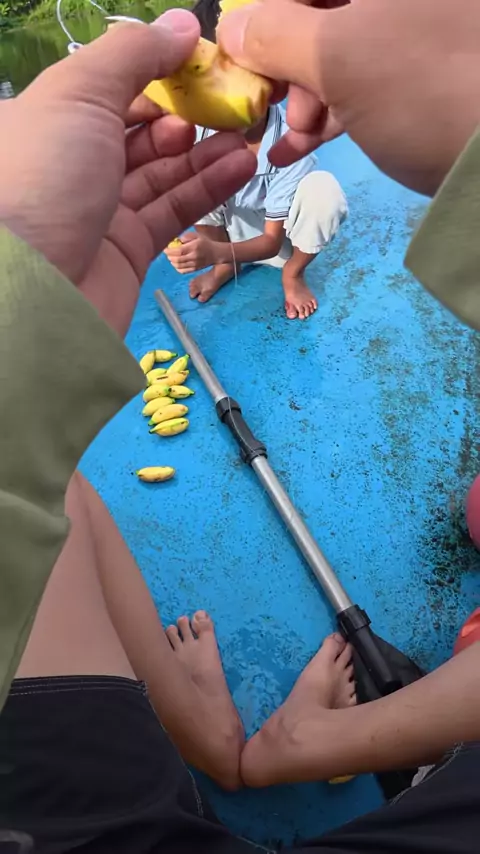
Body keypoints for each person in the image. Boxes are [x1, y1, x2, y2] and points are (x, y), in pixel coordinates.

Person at [1, 3, 480, 853]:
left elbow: (263, 233)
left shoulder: (292, 157)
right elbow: (203, 217)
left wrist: (23, 291)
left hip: (270, 239)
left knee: (55, 491)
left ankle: (228, 731)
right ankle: (244, 735)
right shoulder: (199, 141)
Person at [163, 0, 348, 321]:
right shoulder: (198, 132)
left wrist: (214, 251)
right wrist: (214, 253)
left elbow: (271, 243)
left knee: (324, 191)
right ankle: (226, 267)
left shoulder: (289, 141)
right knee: (188, 175)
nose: (227, 101)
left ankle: (293, 274)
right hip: (229, 236)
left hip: (282, 242)